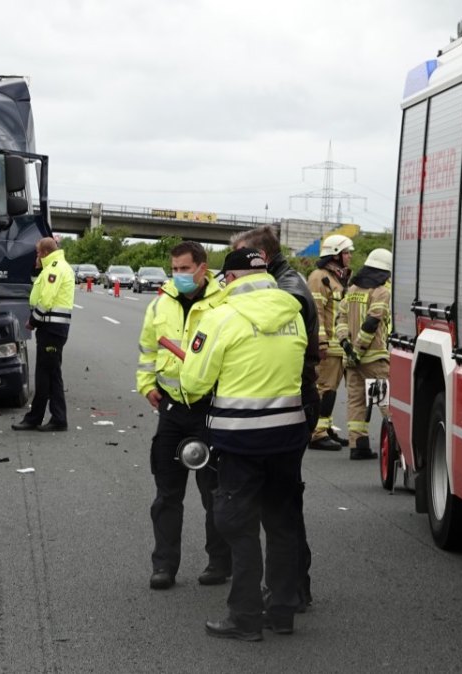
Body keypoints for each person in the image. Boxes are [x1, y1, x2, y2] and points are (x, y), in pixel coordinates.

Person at [181, 248, 309, 642]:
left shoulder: (221, 318)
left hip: (240, 439)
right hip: (288, 434)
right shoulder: (294, 314)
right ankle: (282, 611)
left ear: (230, 279)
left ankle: (245, 616)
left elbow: (193, 382)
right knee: (283, 522)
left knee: (238, 525)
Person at [230, 224, 317, 611]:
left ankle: (291, 590)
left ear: (258, 259)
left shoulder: (286, 290)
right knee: (281, 503)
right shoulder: (281, 281)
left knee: (280, 506)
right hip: (289, 398)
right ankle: (290, 590)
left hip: (289, 399)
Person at [136, 241, 230, 590]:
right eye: (174, 269)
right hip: (172, 409)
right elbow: (148, 347)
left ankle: (219, 563)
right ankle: (164, 566)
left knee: (214, 493)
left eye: (185, 269)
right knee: (166, 495)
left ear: (203, 268)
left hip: (210, 410)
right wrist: (146, 385)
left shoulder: (223, 304)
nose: (179, 276)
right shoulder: (161, 303)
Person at [12, 237, 74, 432]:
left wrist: (33, 321)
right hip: (53, 329)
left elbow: (46, 300)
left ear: (45, 252)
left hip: (51, 328)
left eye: (38, 253)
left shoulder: (55, 268)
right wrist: (36, 267)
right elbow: (37, 288)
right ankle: (56, 418)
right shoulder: (52, 267)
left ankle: (36, 418)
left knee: (45, 375)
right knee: (52, 374)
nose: (37, 256)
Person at [336, 248, 393, 460]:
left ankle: (358, 446)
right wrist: (358, 350)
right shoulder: (381, 292)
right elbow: (372, 321)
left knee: (356, 401)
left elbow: (339, 320)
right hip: (373, 358)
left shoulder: (352, 290)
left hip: (351, 360)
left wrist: (347, 346)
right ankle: (396, 446)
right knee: (384, 402)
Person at [307, 234, 355, 451]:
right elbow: (315, 312)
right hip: (328, 346)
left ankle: (325, 430)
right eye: (346, 252)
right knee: (324, 389)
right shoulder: (319, 277)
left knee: (331, 390)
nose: (350, 256)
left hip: (340, 347)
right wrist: (321, 343)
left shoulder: (337, 278)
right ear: (335, 254)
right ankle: (316, 433)